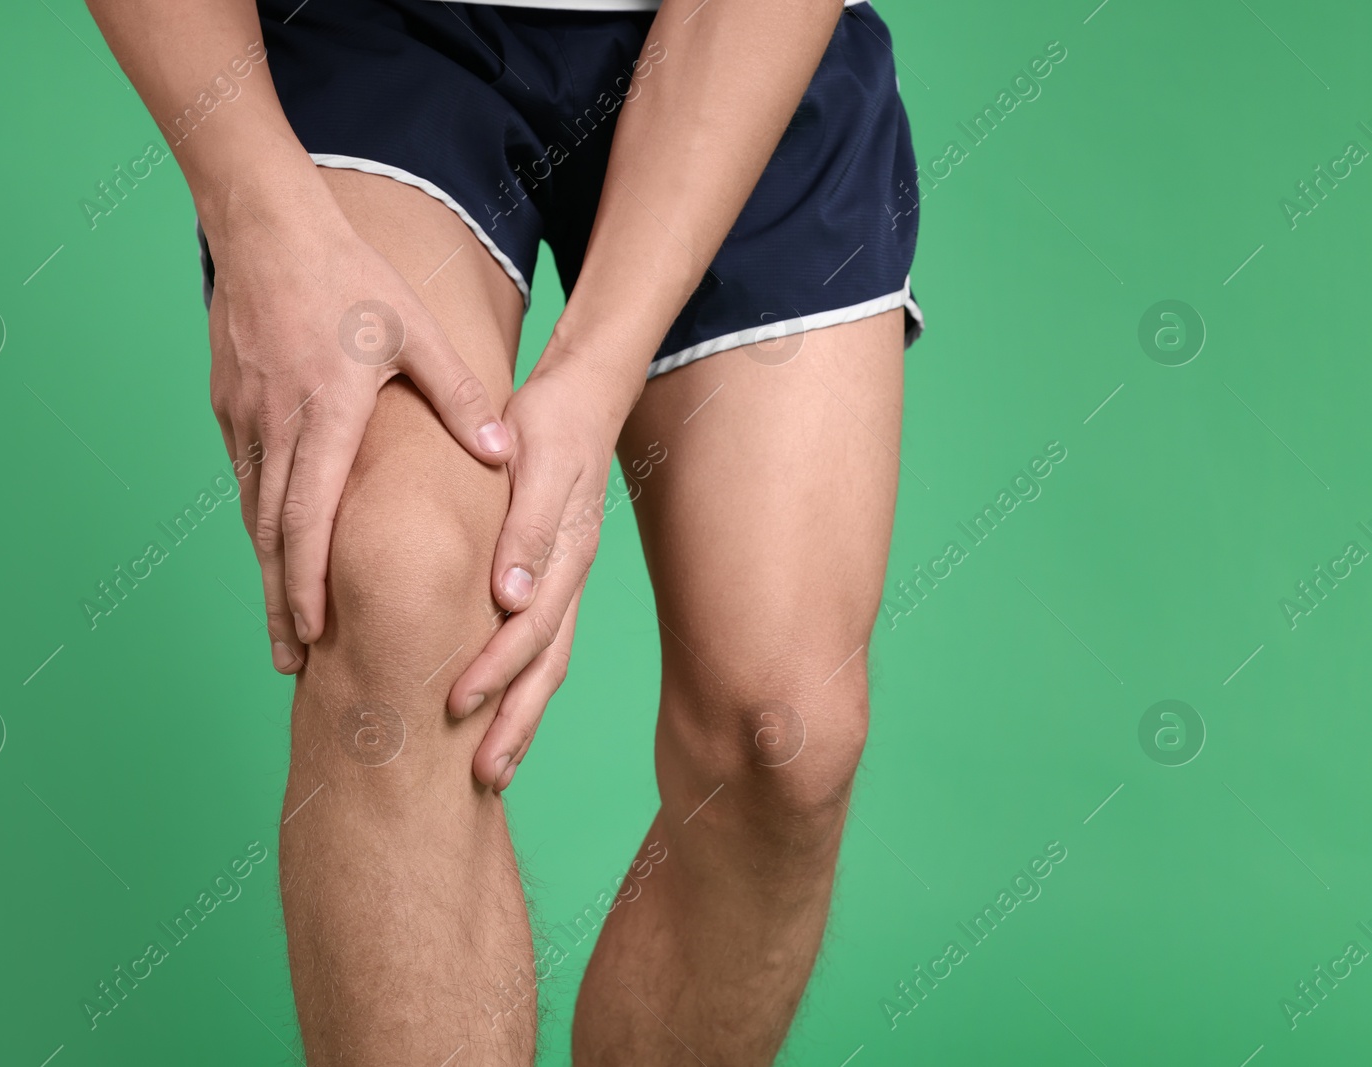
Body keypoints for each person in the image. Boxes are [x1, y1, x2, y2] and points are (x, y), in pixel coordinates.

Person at [85, 0, 921, 1061]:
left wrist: (596, 372)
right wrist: (256, 213)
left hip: (737, 39)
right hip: (376, 32)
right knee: (396, 579)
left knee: (782, 732)